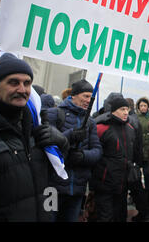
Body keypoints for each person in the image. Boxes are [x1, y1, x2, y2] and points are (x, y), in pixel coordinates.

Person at [0, 53, 68, 221]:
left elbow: (51, 183)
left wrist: (63, 146)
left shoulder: (35, 125)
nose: (22, 89)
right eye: (13, 82)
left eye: (27, 83)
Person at [47, 79, 102, 222]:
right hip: (52, 188)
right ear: (73, 95)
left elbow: (97, 151)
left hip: (77, 189)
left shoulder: (90, 122)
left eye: (91, 97)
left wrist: (82, 156)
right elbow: (47, 145)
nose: (88, 100)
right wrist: (69, 136)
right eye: (85, 96)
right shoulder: (54, 114)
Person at [90, 97, 135, 221]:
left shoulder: (130, 129)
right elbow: (94, 154)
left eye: (127, 109)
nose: (126, 112)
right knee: (105, 217)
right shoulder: (101, 128)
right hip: (105, 183)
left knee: (119, 216)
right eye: (122, 109)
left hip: (122, 184)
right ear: (113, 111)